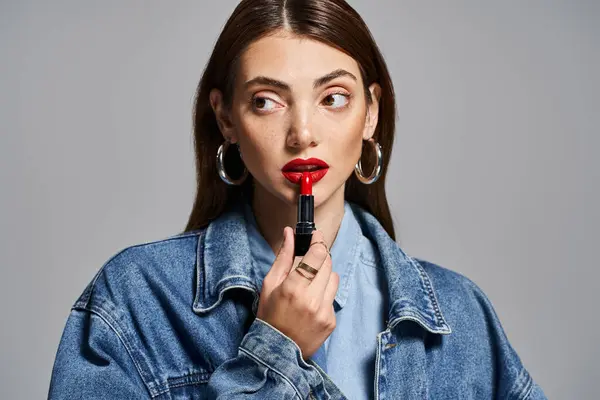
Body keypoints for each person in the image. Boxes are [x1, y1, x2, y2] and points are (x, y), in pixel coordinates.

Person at [48, 0, 547, 399]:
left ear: (370, 114)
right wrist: (275, 352)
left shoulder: (460, 315)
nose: (302, 133)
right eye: (267, 101)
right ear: (226, 120)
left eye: (334, 98)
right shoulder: (137, 299)